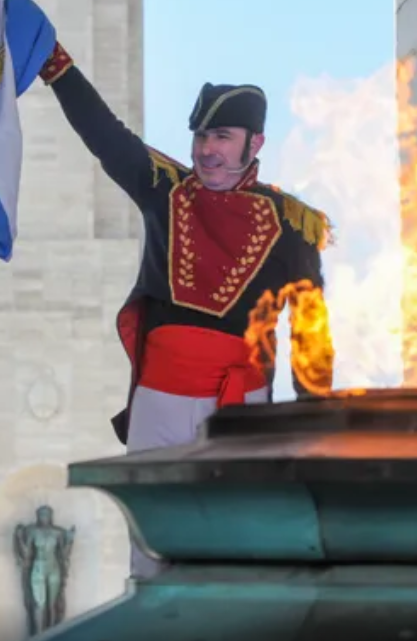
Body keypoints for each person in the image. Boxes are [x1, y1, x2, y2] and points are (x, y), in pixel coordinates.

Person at [37, 41, 334, 577]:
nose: (206, 149)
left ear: (255, 142)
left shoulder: (294, 222)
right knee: (151, 549)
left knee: (239, 550)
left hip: (241, 404)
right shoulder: (164, 189)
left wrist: (315, 417)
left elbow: (310, 331)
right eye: (201, 136)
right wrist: (54, 65)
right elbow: (104, 134)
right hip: (159, 399)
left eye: (221, 136)